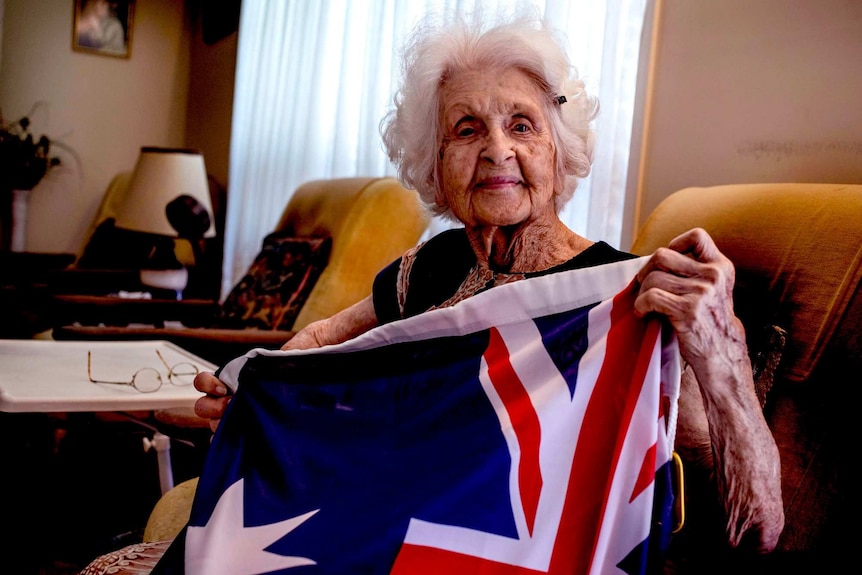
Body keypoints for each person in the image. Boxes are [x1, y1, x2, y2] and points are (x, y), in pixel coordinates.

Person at [194, 10, 784, 565]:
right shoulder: (432, 266)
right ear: (436, 163)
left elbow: (758, 531)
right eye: (467, 129)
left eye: (521, 125)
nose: (497, 149)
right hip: (390, 521)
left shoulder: (623, 302)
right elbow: (328, 339)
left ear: (560, 151)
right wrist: (256, 389)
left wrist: (722, 353)